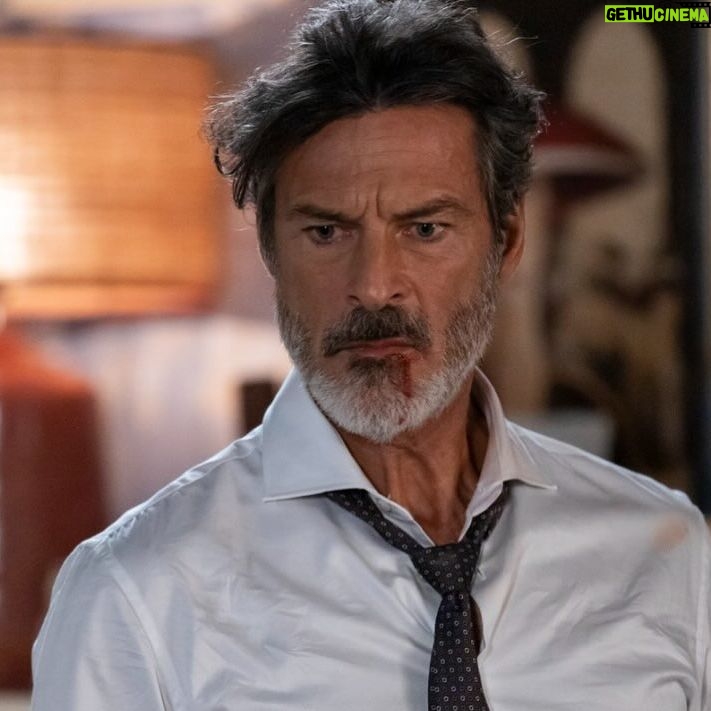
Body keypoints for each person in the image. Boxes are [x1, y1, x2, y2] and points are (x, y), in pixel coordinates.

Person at [32, 0, 710, 709]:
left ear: (506, 243)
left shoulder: (663, 555)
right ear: (271, 249)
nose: (374, 284)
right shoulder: (137, 592)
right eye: (327, 232)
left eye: (424, 228)